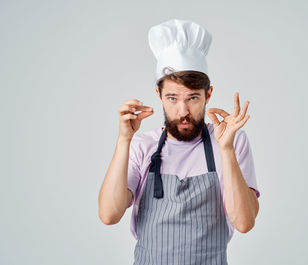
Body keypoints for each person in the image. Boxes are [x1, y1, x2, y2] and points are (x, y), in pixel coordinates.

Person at [98, 18, 260, 265]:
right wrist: (124, 139)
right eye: (172, 98)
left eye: (193, 98)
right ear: (159, 96)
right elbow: (109, 215)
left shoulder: (230, 142)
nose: (183, 110)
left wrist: (226, 150)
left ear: (208, 95)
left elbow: (245, 222)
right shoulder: (142, 146)